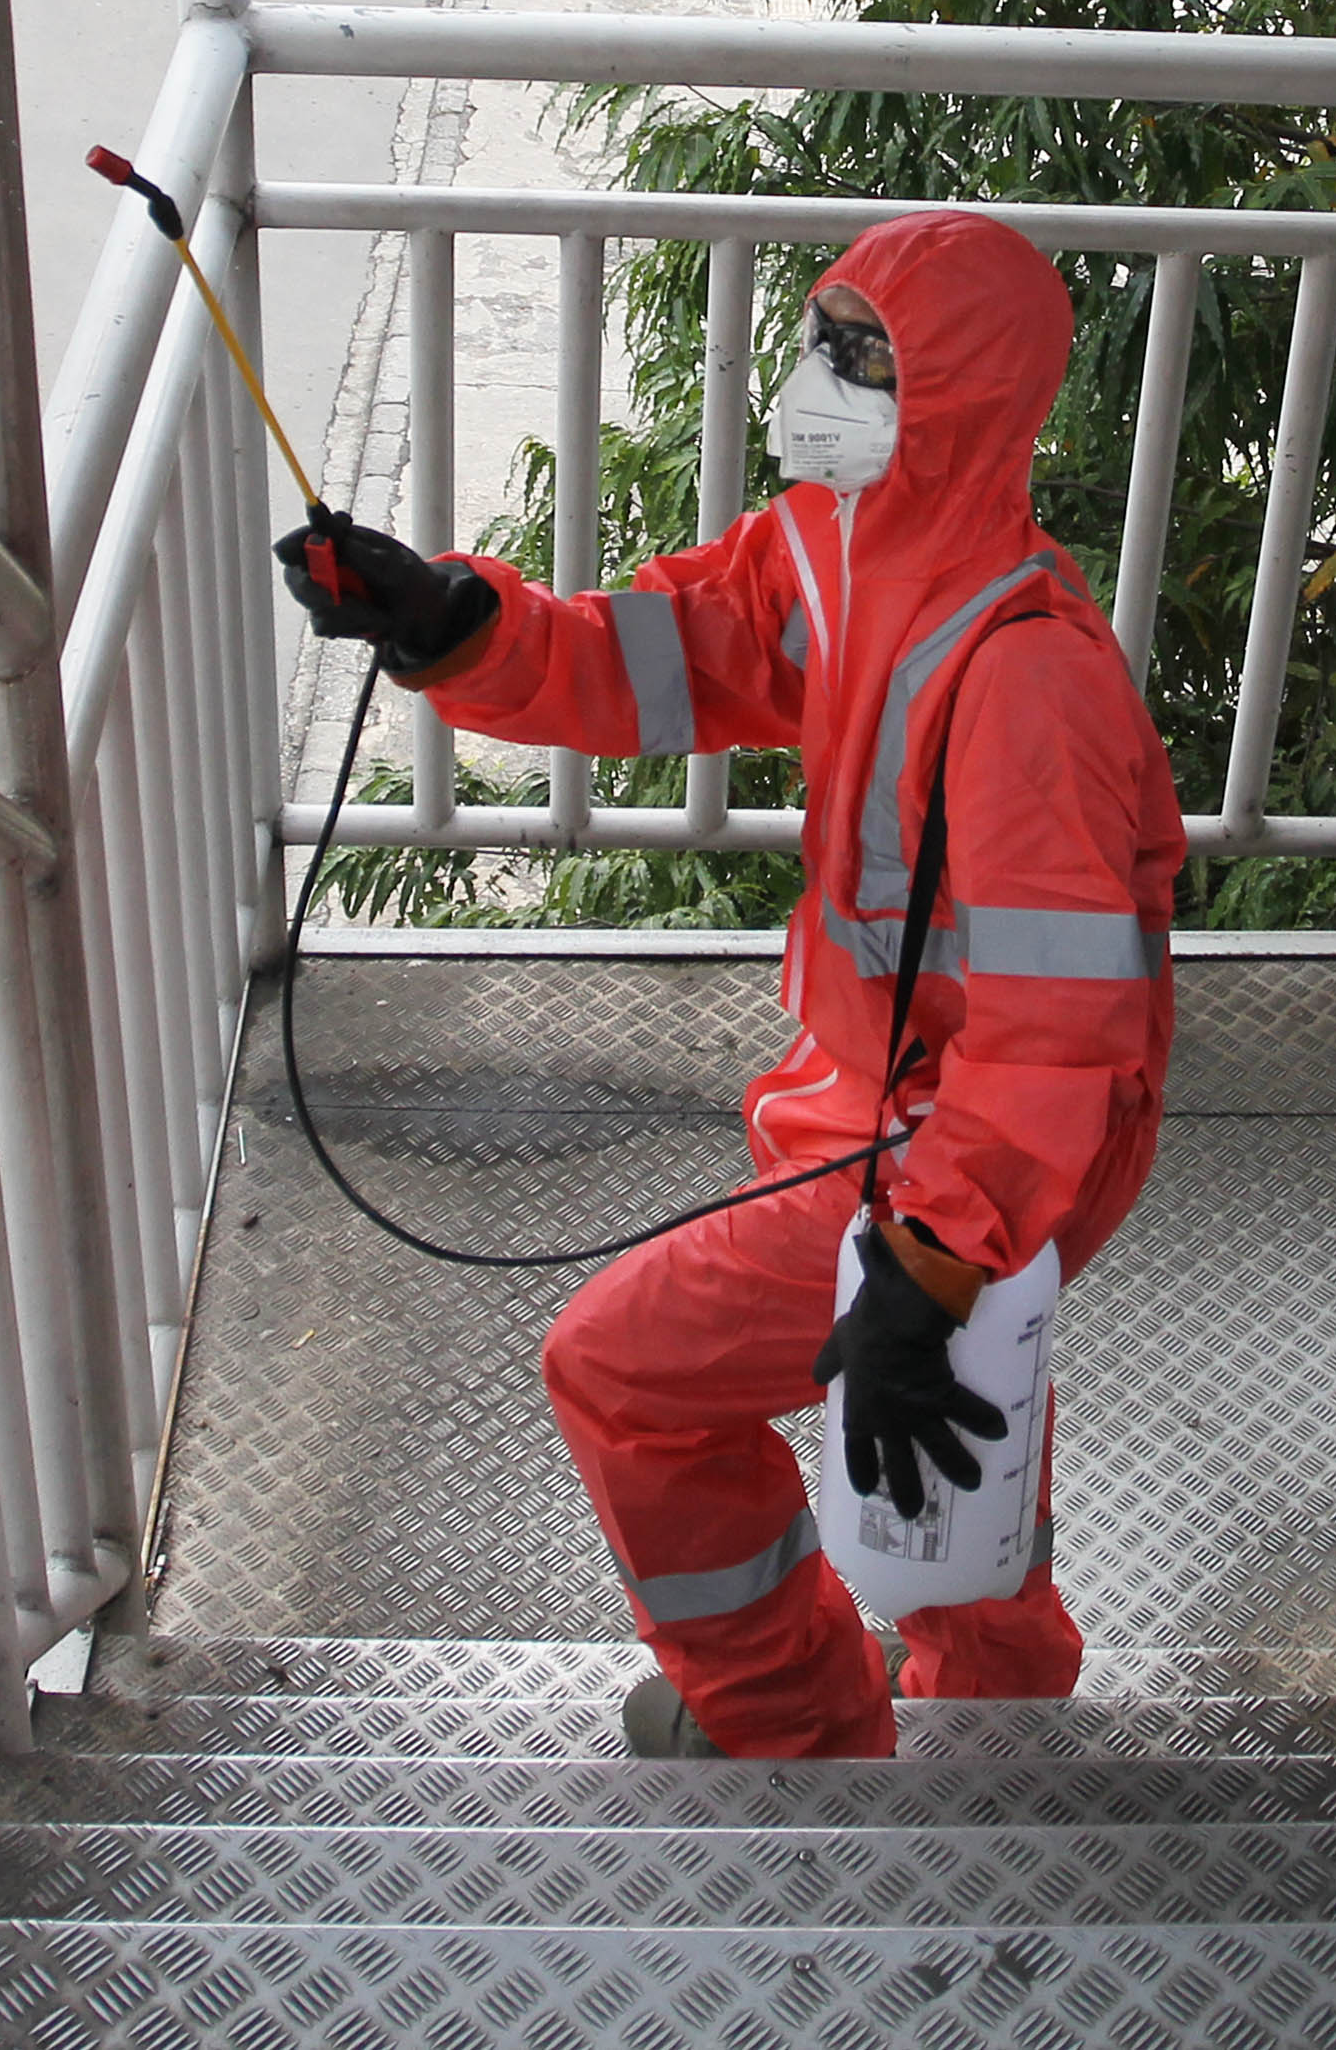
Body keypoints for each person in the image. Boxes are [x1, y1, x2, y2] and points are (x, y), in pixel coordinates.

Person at [275, 211, 1183, 1759]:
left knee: (624, 1372)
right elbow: (663, 658)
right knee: (951, 1401)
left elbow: (1054, 1048)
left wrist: (935, 1254)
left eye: (867, 359)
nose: (821, 380)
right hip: (883, 1113)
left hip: (970, 1149)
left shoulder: (1030, 678)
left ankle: (794, 1722)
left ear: (956, 397)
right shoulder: (831, 546)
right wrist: (451, 624)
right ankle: (1002, 1696)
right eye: (823, 340)